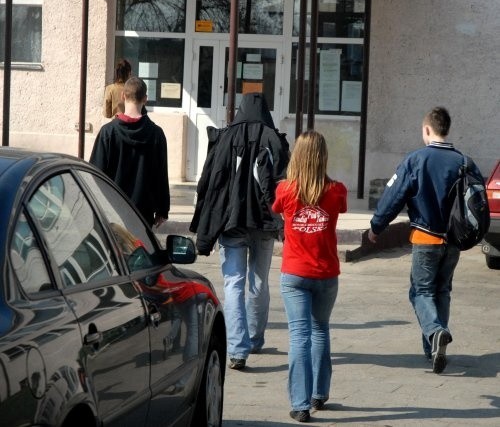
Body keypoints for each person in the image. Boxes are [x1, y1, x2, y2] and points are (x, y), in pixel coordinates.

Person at [368, 106, 485, 374]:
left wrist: (376, 227)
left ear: (427, 129)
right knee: (442, 291)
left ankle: (434, 332)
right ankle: (433, 348)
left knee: (420, 291)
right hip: (454, 241)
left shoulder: (416, 160)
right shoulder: (465, 162)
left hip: (425, 238)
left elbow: (393, 196)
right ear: (447, 129)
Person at [189, 92, 289, 370]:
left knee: (233, 283)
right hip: (266, 224)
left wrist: (206, 225)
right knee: (259, 282)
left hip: (231, 222)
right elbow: (285, 183)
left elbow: (209, 182)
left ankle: (237, 349)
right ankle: (255, 339)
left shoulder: (224, 138)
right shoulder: (274, 139)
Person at [272, 130, 347, 423]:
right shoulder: (337, 190)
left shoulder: (285, 190)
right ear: (323, 158)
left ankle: (300, 404)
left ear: (297, 157)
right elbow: (340, 207)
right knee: (320, 330)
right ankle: (319, 393)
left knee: (299, 336)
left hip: (294, 273)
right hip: (327, 273)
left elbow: (277, 208)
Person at [90, 76, 169, 227]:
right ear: (145, 99)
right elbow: (161, 174)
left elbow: (95, 175)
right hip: (143, 215)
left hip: (112, 214)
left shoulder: (108, 133)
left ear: (123, 96)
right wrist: (162, 210)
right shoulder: (157, 134)